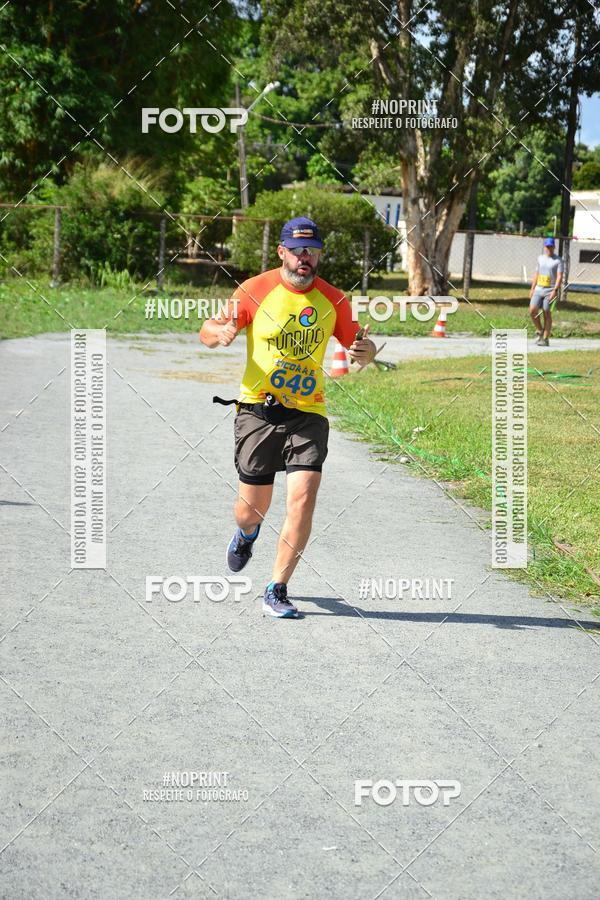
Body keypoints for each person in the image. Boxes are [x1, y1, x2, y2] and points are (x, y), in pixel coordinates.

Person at [199, 216, 376, 618]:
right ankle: (247, 533)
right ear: (281, 252)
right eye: (297, 251)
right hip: (257, 412)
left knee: (303, 496)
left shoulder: (334, 300)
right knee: (251, 508)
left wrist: (369, 352)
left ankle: (276, 588)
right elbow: (207, 329)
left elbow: (360, 344)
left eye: (312, 251)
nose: (305, 259)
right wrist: (219, 334)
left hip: (308, 413)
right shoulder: (254, 290)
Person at [529, 237, 564, 346]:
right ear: (545, 247)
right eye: (547, 246)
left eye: (551, 246)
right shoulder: (540, 258)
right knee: (532, 310)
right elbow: (537, 274)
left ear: (554, 247)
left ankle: (545, 338)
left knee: (546, 311)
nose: (549, 248)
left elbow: (559, 277)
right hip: (539, 289)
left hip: (550, 290)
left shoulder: (558, 260)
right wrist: (532, 288)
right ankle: (540, 330)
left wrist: (555, 290)